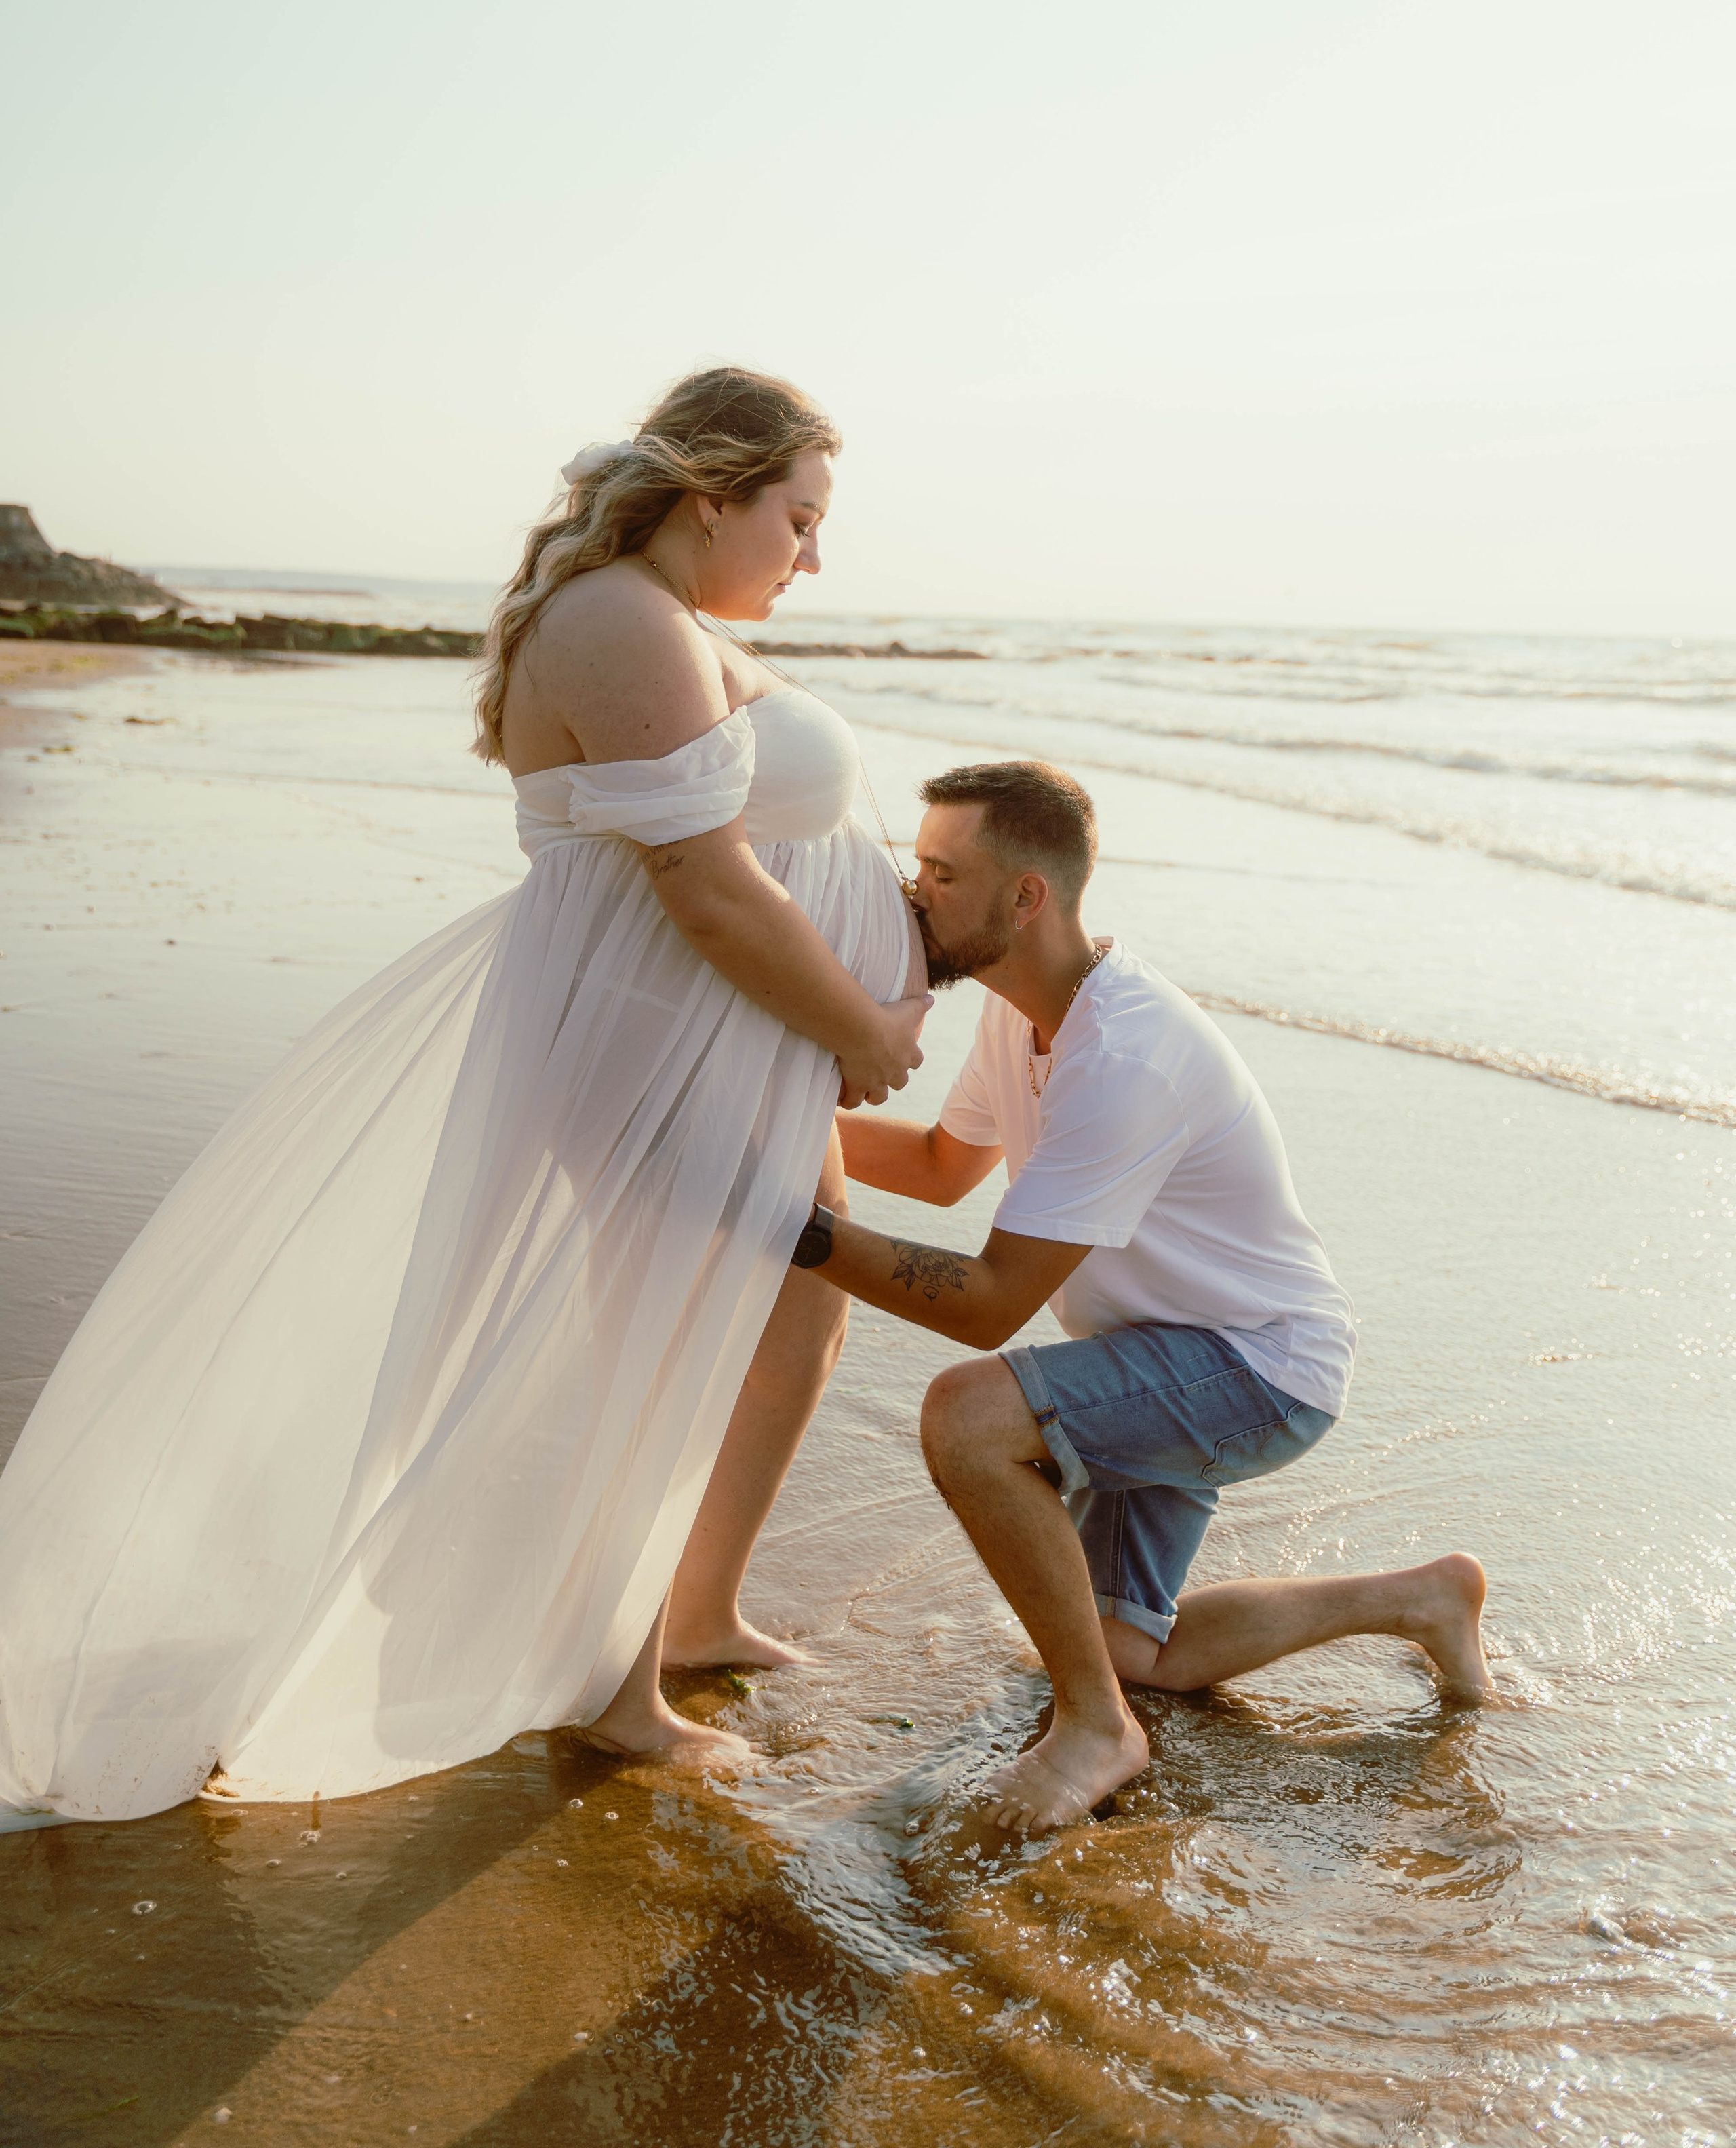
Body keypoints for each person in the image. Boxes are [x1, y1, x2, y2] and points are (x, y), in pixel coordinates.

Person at [0, 367, 928, 1827]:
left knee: (791, 1314)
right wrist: (863, 1027)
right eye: (796, 519)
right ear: (710, 497)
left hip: (728, 1044)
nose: (811, 557)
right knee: (654, 1352)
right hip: (656, 1048)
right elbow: (701, 888)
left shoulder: (661, 618)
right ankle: (621, 1690)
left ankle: (690, 1609)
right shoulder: (618, 615)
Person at [795, 759, 1491, 1836]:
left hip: (1258, 1368)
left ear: (1027, 897)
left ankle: (1093, 1731)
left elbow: (987, 1306)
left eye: (941, 870)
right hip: (1157, 1349)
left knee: (969, 1416)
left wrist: (794, 1227)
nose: (912, 891)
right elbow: (941, 1162)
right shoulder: (1018, 1011)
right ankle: (1419, 1598)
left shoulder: (1123, 1054)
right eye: (916, 864)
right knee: (1128, 1649)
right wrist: (771, 1120)